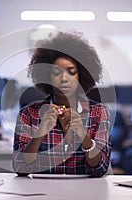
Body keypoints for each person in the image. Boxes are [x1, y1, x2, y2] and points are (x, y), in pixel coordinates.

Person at [12, 31, 112, 176]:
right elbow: (20, 168)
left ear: (81, 76)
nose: (64, 79)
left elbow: (100, 168)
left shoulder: (99, 113)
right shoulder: (28, 114)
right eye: (56, 73)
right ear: (47, 77)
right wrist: (40, 133)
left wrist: (83, 135)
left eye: (71, 72)